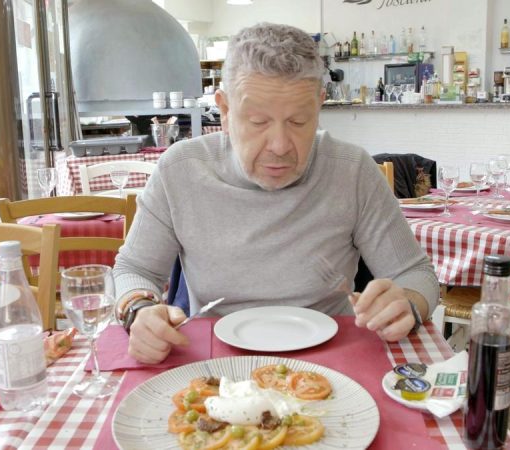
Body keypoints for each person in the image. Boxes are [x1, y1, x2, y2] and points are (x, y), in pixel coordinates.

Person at [113, 23, 440, 364]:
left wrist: (408, 303)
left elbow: (417, 275)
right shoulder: (179, 170)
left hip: (331, 361)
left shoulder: (352, 170)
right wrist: (138, 309)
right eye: (257, 122)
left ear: (319, 105)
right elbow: (133, 269)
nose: (281, 146)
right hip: (212, 365)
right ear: (225, 111)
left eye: (299, 122)